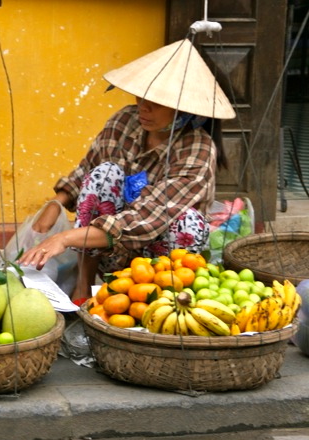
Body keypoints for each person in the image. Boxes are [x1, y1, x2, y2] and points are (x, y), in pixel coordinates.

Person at [18, 38, 236, 301]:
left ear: (185, 110)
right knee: (103, 174)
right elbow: (89, 168)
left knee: (187, 222)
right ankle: (83, 288)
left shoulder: (198, 149)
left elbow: (147, 217)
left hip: (163, 256)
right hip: (110, 249)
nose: (144, 106)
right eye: (141, 96)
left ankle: (162, 300)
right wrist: (55, 202)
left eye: (157, 102)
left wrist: (65, 238)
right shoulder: (125, 121)